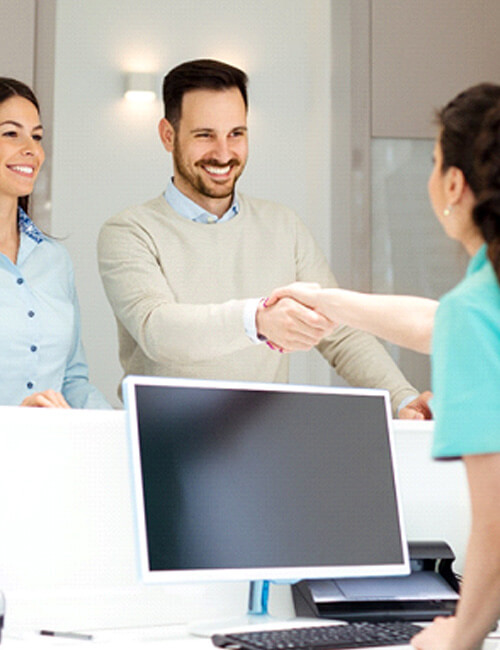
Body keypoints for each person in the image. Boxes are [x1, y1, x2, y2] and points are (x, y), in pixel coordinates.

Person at [267, 82, 500, 650]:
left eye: (433, 161)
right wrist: (330, 302)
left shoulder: (475, 312)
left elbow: (496, 518)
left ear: (452, 184)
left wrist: (460, 633)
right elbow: (437, 322)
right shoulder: (479, 300)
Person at [97, 58, 429, 418]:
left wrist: (402, 399)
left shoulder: (283, 226)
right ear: (168, 135)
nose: (223, 154)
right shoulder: (129, 231)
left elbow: (341, 333)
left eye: (236, 134)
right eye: (205, 135)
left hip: (261, 439)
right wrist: (257, 320)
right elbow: (157, 330)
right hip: (161, 440)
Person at [0, 78, 110, 409]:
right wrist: (16, 420)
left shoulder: (55, 260)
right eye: (10, 133)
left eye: (36, 136)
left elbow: (72, 380)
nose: (32, 149)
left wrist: (119, 428)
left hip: (50, 456)